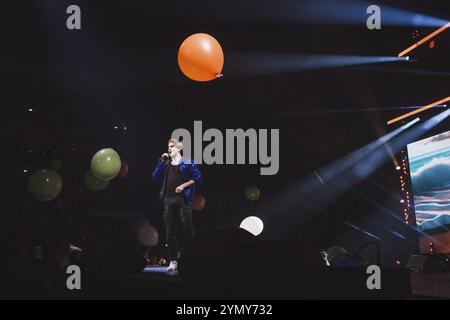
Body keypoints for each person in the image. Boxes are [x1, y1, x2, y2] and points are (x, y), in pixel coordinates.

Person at [152, 138, 202, 275]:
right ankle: (173, 261)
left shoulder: (187, 162)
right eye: (168, 146)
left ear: (179, 148)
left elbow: (198, 178)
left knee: (188, 230)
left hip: (183, 200)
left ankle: (191, 259)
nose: (169, 148)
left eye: (172, 146)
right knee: (170, 233)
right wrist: (161, 161)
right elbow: (155, 176)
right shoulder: (166, 163)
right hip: (168, 200)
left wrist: (183, 185)